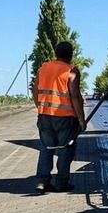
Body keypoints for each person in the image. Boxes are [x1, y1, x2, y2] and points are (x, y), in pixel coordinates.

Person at [34, 41, 86, 193]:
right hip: (65, 119)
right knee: (65, 149)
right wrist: (81, 119)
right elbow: (75, 97)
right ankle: (61, 183)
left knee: (46, 148)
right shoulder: (71, 71)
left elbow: (35, 92)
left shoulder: (43, 69)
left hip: (44, 116)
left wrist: (41, 107)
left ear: (56, 53)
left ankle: (42, 181)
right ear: (70, 55)